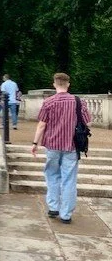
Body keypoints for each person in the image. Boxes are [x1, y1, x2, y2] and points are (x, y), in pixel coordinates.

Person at [31, 72, 91, 224]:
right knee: (69, 180)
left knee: (52, 175)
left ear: (54, 84)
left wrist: (35, 143)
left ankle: (53, 207)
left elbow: (42, 125)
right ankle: (66, 214)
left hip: (52, 145)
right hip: (72, 145)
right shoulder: (79, 102)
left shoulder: (48, 102)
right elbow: (88, 122)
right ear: (68, 84)